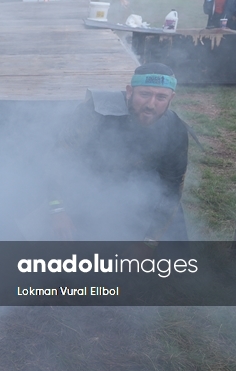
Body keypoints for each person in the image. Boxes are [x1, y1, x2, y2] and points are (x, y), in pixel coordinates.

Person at [49, 63, 189, 244]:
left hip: (139, 195)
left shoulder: (174, 128)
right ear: (130, 91)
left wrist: (149, 241)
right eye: (144, 94)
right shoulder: (94, 113)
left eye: (161, 97)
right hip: (86, 190)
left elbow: (172, 186)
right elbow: (57, 159)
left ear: (171, 98)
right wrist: (57, 210)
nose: (151, 105)